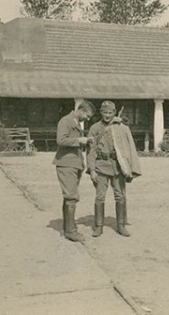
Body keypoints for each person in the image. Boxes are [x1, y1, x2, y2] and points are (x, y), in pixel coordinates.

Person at [87, 101, 142, 238]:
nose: (107, 115)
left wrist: (129, 167)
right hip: (101, 166)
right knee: (100, 197)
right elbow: (90, 151)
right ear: (101, 112)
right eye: (105, 112)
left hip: (118, 167)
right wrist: (92, 169)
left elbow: (129, 147)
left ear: (114, 112)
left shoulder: (122, 128)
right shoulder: (94, 128)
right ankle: (98, 226)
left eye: (110, 113)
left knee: (120, 196)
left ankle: (121, 225)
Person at [53, 100, 95, 243]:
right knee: (71, 196)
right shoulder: (65, 121)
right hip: (66, 163)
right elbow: (61, 140)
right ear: (81, 110)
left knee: (69, 196)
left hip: (73, 163)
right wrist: (80, 140)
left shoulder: (75, 123)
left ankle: (68, 227)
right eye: (87, 116)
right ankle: (70, 231)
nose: (87, 119)